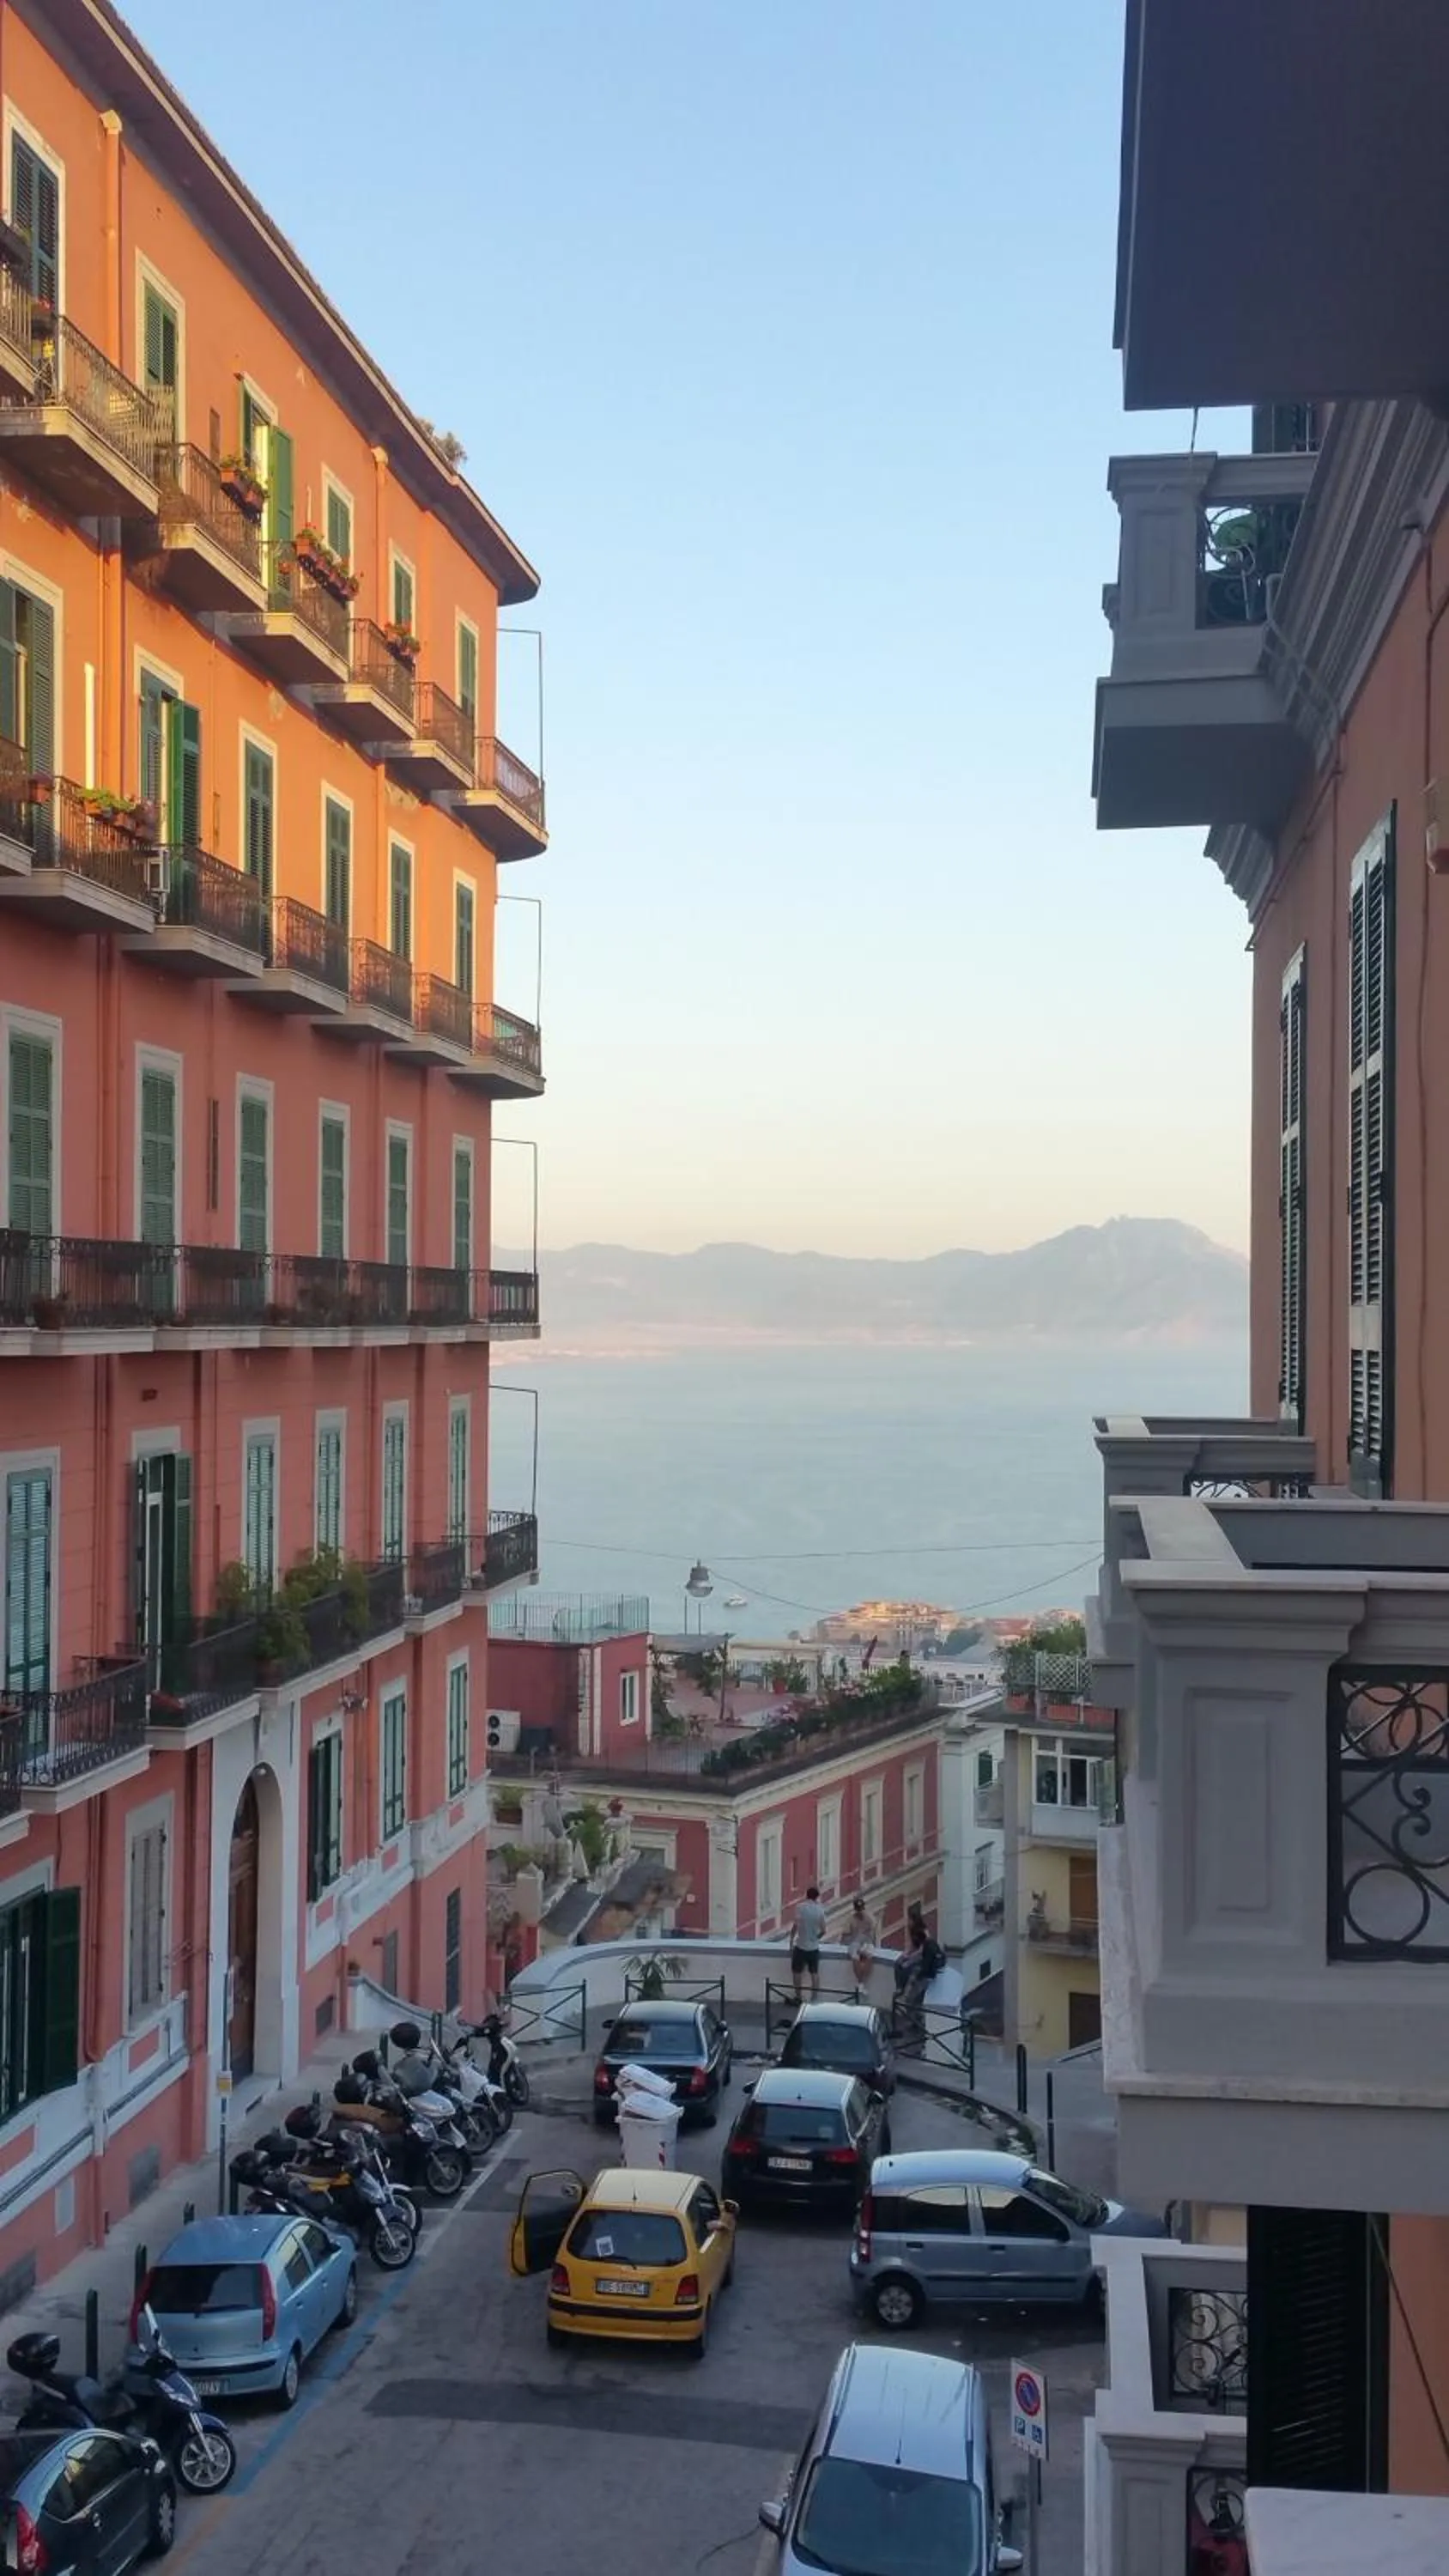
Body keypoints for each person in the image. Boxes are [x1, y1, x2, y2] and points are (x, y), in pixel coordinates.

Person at [791, 1883, 828, 2002]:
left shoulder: (800, 1907)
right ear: (817, 1897)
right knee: (814, 1973)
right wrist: (816, 1938)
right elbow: (824, 1931)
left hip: (801, 1945)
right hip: (813, 1947)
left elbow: (795, 1926)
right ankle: (814, 1998)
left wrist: (791, 1940)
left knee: (797, 1972)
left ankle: (798, 1996)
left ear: (807, 1895)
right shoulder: (820, 1910)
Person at [846, 1894, 877, 1997]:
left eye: (861, 1909)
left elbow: (872, 1934)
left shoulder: (870, 1918)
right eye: (858, 1909)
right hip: (855, 1942)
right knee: (855, 1957)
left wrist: (868, 1944)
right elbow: (847, 1934)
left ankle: (861, 1983)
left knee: (869, 1955)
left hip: (867, 1942)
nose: (860, 1911)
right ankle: (860, 1983)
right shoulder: (851, 1919)